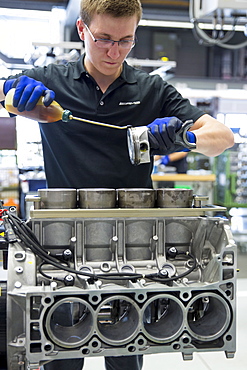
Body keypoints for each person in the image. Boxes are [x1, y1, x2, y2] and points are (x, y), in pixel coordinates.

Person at [0, 0, 234, 369]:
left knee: (125, 350)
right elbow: (7, 95)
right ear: (82, 30)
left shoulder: (153, 90)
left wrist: (185, 137)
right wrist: (11, 90)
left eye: (126, 41)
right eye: (104, 38)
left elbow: (223, 137)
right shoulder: (54, 81)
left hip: (135, 243)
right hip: (61, 241)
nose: (114, 51)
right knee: (60, 352)